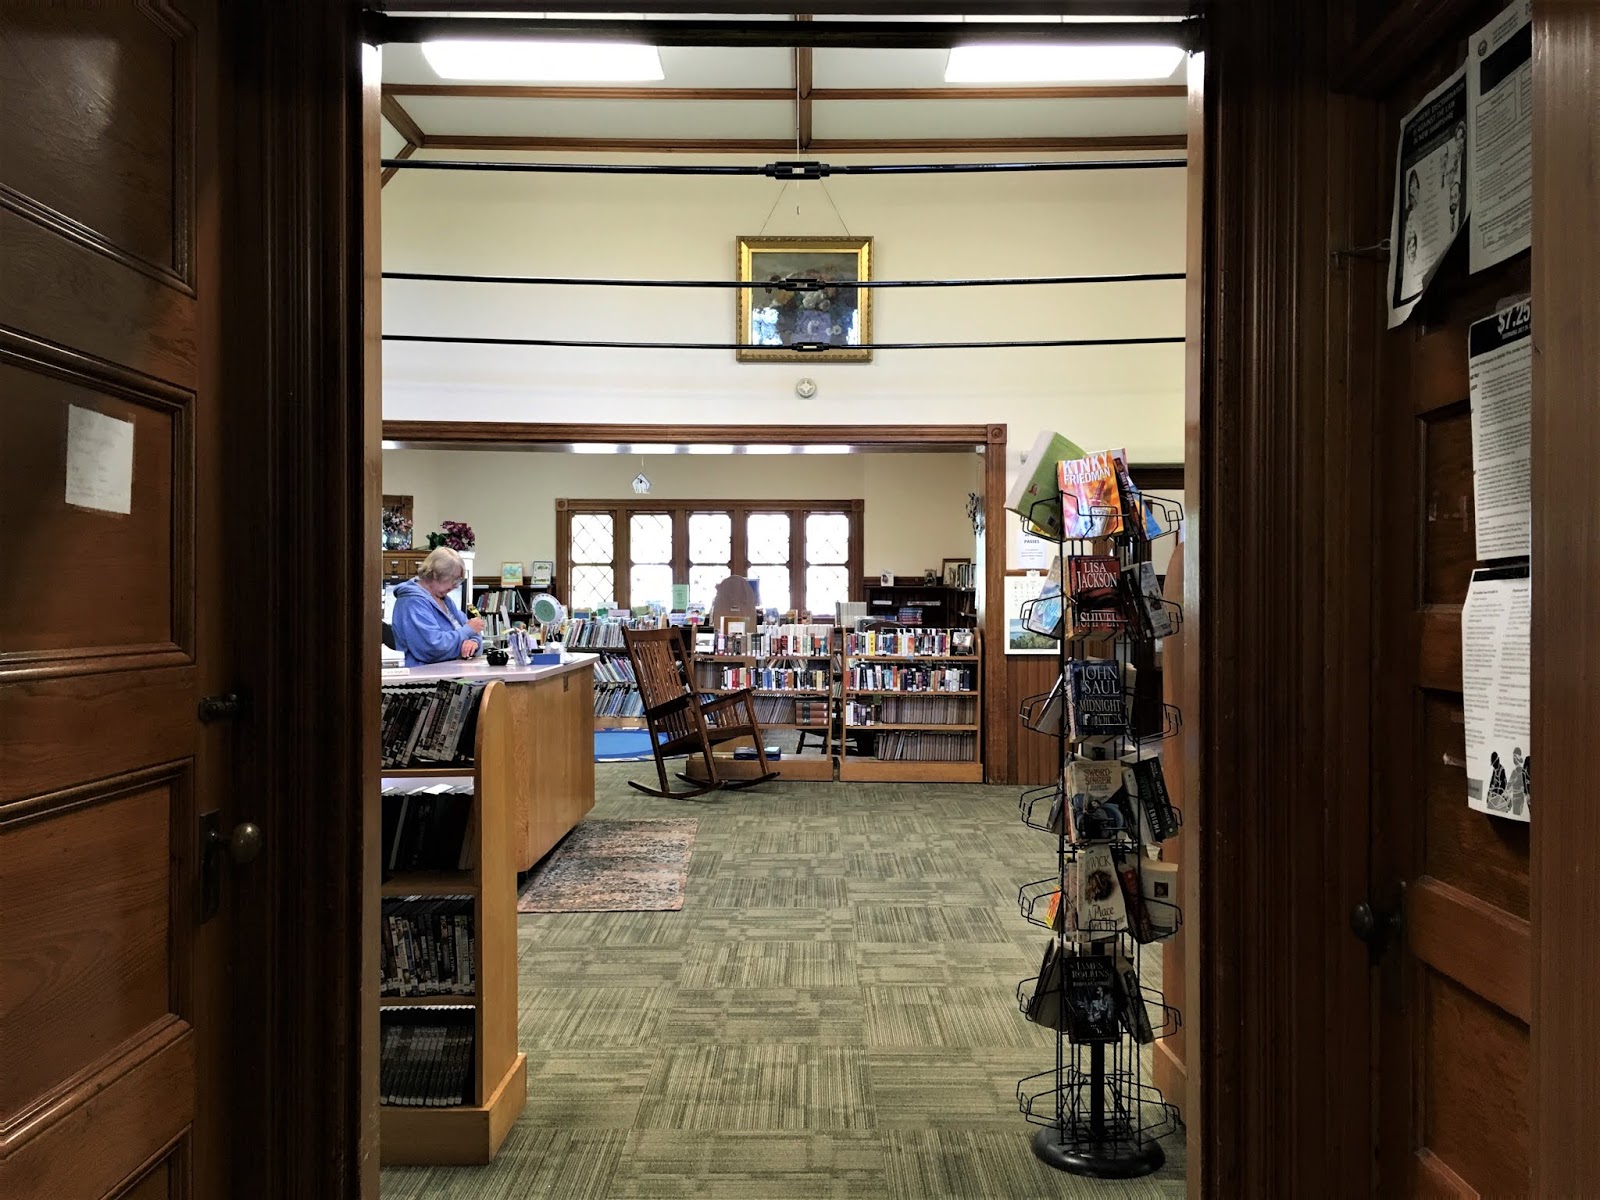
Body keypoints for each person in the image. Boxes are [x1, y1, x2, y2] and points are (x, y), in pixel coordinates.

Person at [390, 547, 486, 666]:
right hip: (424, 674)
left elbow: (473, 630)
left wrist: (474, 643)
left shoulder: (444, 599)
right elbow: (432, 647)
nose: (456, 586)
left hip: (450, 670)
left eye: (459, 581)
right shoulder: (412, 602)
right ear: (435, 574)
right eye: (454, 580)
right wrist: (467, 631)